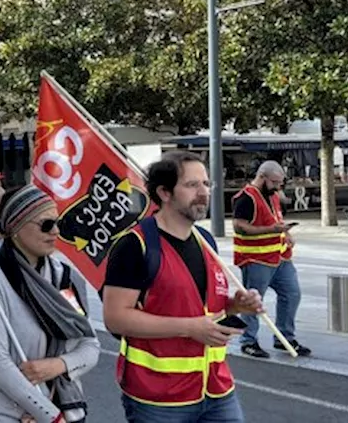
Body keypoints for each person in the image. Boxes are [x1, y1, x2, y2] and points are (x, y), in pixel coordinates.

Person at [103, 151, 264, 423]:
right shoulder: (134, 245)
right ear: (164, 192)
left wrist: (236, 305)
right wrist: (190, 327)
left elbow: (202, 306)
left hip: (216, 389)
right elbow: (115, 318)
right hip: (157, 396)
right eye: (192, 185)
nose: (203, 193)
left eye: (206, 184)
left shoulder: (204, 240)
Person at [0, 185, 100, 422]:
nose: (56, 231)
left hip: (62, 403)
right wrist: (48, 415)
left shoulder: (66, 278)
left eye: (58, 223)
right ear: (16, 227)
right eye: (46, 225)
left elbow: (90, 346)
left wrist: (58, 365)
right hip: (1, 411)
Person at [231, 161, 310, 357]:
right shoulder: (246, 198)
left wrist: (286, 234)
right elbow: (240, 227)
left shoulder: (272, 195)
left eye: (280, 183)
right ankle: (248, 341)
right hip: (256, 258)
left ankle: (285, 337)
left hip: (279, 256)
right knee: (252, 301)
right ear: (262, 177)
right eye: (274, 182)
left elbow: (275, 219)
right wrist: (271, 230)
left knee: (292, 294)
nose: (277, 187)